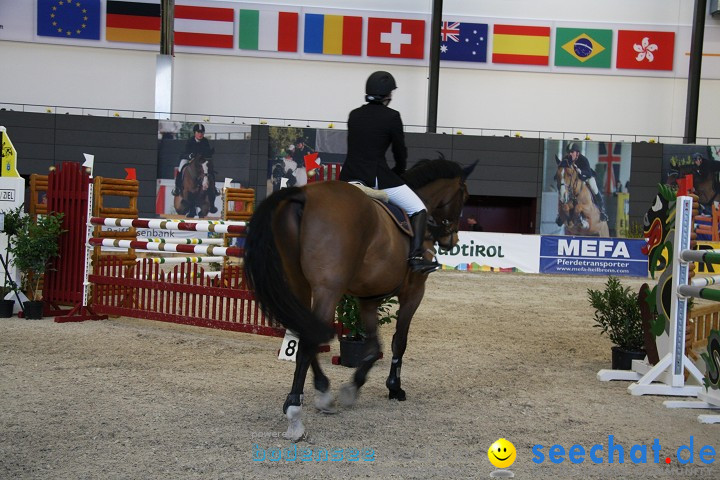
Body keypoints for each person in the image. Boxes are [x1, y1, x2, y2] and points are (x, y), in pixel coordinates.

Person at [339, 71, 439, 274]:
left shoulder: (354, 115)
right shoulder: (392, 117)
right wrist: (399, 171)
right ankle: (416, 257)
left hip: (348, 177)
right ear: (387, 95)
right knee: (418, 209)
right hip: (375, 178)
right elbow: (399, 151)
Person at [557, 142, 608, 223]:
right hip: (573, 180)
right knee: (563, 188)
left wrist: (580, 171)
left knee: (594, 188)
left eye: (571, 152)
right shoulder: (566, 159)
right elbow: (562, 169)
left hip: (586, 176)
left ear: (577, 153)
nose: (569, 154)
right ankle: (560, 214)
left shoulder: (583, 159)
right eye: (569, 152)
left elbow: (588, 172)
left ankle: (602, 211)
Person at [173, 123, 217, 213]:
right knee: (181, 168)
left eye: (202, 132)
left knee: (210, 169)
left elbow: (207, 153)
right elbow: (185, 153)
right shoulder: (190, 141)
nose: (200, 134)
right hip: (189, 160)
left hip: (201, 161)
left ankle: (214, 188)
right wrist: (189, 155)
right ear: (195, 133)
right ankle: (177, 188)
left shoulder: (205, 141)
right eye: (199, 132)